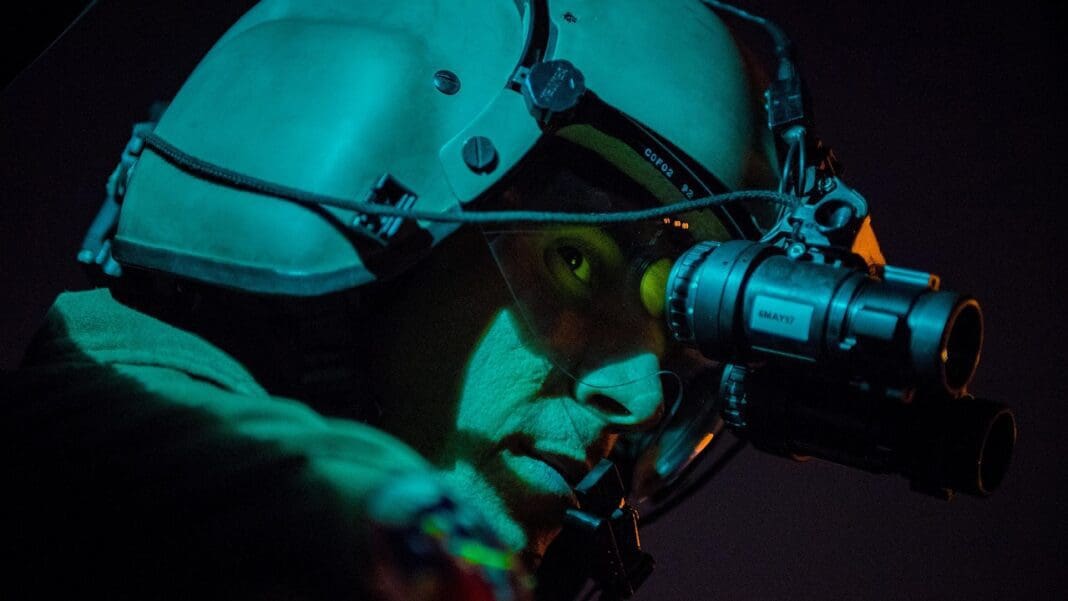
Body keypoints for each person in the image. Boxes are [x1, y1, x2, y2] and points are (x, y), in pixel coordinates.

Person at [2, 1, 781, 599]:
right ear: (376, 217)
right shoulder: (102, 451)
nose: (642, 400)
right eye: (575, 263)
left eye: (666, 345)